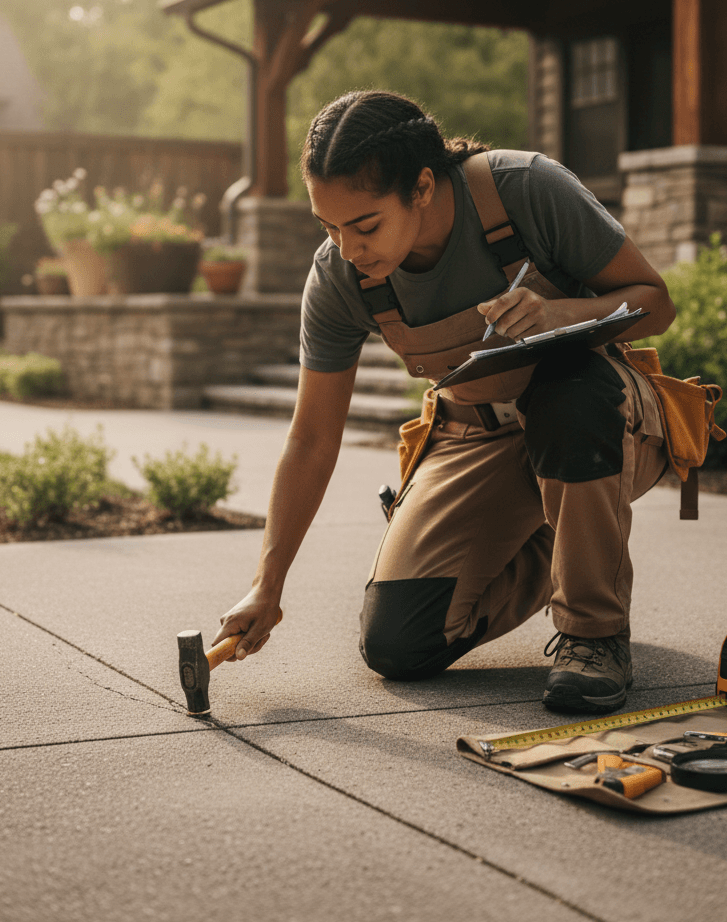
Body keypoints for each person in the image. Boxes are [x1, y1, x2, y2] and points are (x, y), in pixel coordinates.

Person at [213, 90, 675, 712]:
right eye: (329, 227)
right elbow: (312, 437)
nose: (349, 249)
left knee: (571, 393)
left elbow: (655, 301)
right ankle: (574, 543)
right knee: (399, 646)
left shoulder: (528, 190)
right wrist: (266, 586)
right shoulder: (340, 278)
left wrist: (560, 312)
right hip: (476, 436)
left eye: (365, 225)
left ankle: (593, 634)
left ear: (423, 186)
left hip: (602, 417)